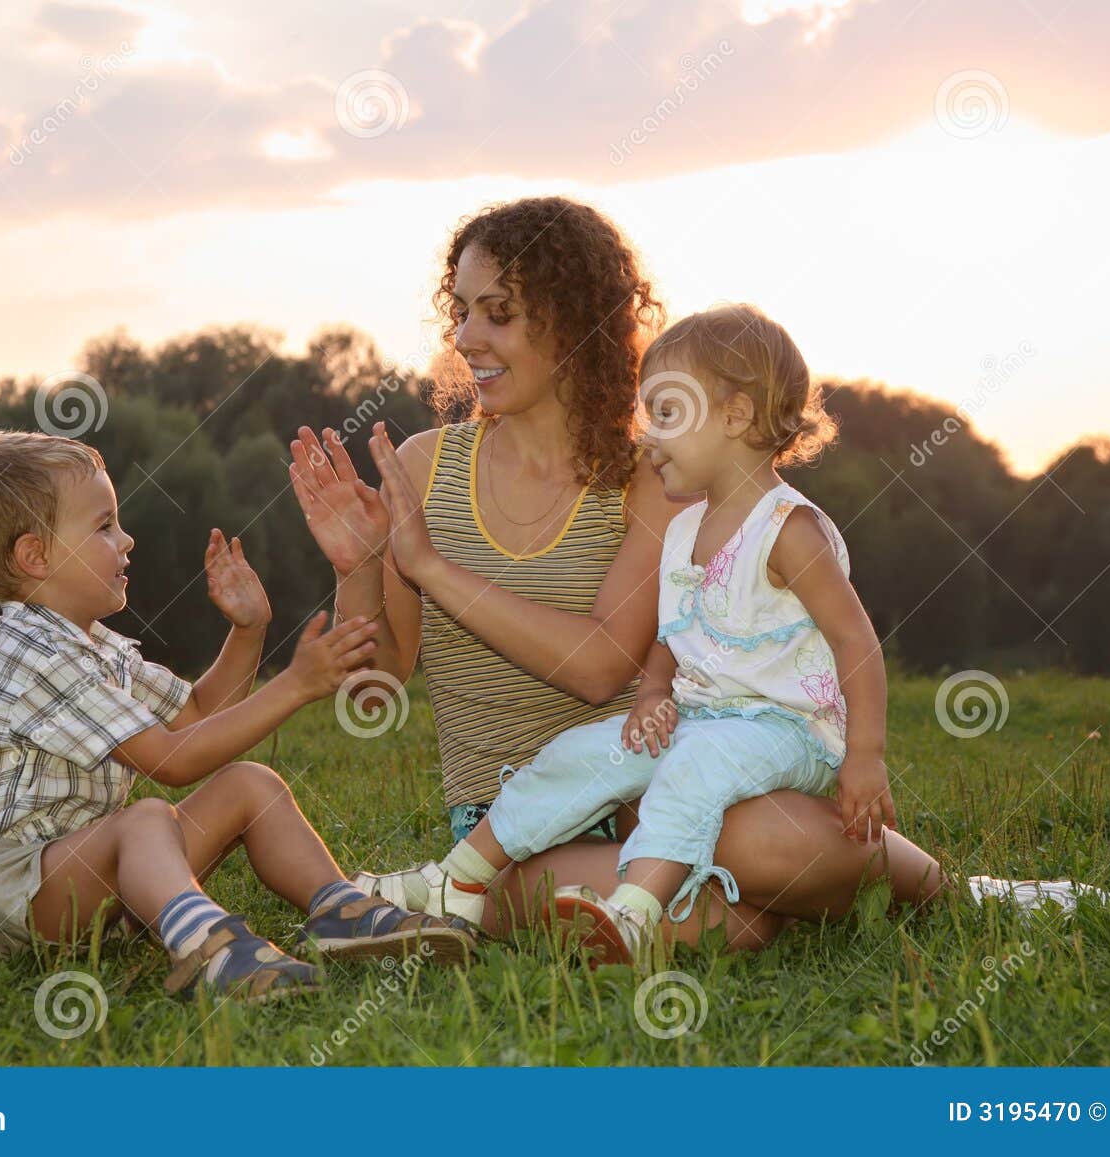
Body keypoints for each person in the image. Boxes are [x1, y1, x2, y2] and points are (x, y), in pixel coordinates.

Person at [289, 196, 955, 954]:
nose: (466, 337)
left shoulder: (654, 478)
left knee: (768, 845)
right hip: (510, 822)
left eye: (498, 313)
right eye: (461, 310)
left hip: (652, 783)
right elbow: (375, 681)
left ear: (570, 323)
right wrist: (362, 565)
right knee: (730, 916)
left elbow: (600, 663)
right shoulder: (423, 470)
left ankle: (946, 886)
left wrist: (430, 570)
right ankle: (478, 888)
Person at [365, 303, 911, 967]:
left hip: (785, 728)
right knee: (584, 750)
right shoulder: (684, 528)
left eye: (668, 415)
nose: (648, 437)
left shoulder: (787, 529)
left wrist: (864, 753)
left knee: (694, 768)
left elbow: (856, 641)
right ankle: (458, 876)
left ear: (736, 416)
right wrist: (653, 691)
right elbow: (672, 631)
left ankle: (634, 908)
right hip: (706, 719)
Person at [0, 430, 476, 1004]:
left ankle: (341, 909)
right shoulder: (34, 657)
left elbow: (195, 713)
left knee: (250, 784)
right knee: (144, 818)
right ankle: (208, 950)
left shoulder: (96, 648)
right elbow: (173, 760)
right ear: (35, 555)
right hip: (1, 903)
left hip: (88, 882)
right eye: (104, 526)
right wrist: (295, 684)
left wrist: (248, 631)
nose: (127, 539)